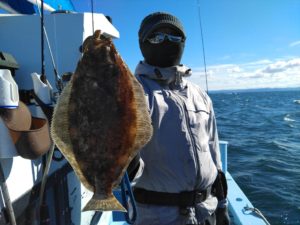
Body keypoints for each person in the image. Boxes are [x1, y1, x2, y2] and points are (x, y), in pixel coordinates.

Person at [129, 12, 230, 225]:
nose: (167, 42)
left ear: (184, 43)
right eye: (157, 37)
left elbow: (214, 152)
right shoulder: (132, 93)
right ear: (142, 44)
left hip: (206, 212)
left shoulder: (200, 94)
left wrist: (222, 205)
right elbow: (127, 168)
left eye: (175, 37)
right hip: (158, 218)